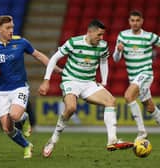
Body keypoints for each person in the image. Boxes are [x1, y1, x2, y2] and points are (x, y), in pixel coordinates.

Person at [39, 19, 133, 157]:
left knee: (111, 101)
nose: (101, 38)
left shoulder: (102, 46)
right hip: (71, 80)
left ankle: (112, 140)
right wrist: (46, 80)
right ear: (90, 32)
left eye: (103, 35)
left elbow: (103, 61)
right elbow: (54, 59)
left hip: (89, 83)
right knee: (71, 108)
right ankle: (53, 140)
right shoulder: (73, 42)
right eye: (99, 35)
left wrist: (104, 82)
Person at [0, 15, 61, 159]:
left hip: (19, 87)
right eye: (8, 28)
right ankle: (26, 145)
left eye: (12, 27)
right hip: (2, 91)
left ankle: (24, 117)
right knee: (7, 128)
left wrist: (53, 67)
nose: (11, 30)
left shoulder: (21, 42)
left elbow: (39, 56)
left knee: (15, 115)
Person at [113, 10, 160, 141]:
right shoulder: (122, 36)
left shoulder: (149, 36)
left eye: (137, 20)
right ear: (129, 21)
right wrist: (118, 50)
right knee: (150, 107)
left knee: (128, 96)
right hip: (133, 77)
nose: (135, 23)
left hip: (145, 73)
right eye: (132, 20)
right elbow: (116, 59)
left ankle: (141, 131)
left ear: (142, 21)